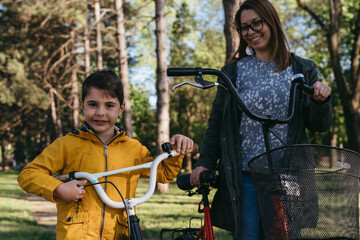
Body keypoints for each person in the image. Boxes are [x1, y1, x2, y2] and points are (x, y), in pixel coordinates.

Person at [189, 0, 332, 239]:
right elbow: (217, 124)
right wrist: (204, 162)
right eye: (244, 27)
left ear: (272, 22)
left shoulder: (301, 68)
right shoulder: (233, 72)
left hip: (287, 175)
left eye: (257, 23)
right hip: (245, 174)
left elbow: (319, 125)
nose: (251, 32)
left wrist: (320, 101)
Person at [18, 69, 194, 239]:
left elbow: (164, 173)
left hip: (120, 233)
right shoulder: (67, 144)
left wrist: (177, 152)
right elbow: (28, 175)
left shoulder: (133, 148)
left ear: (121, 108)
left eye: (109, 105)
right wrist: (58, 189)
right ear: (82, 106)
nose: (100, 112)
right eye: (93, 104)